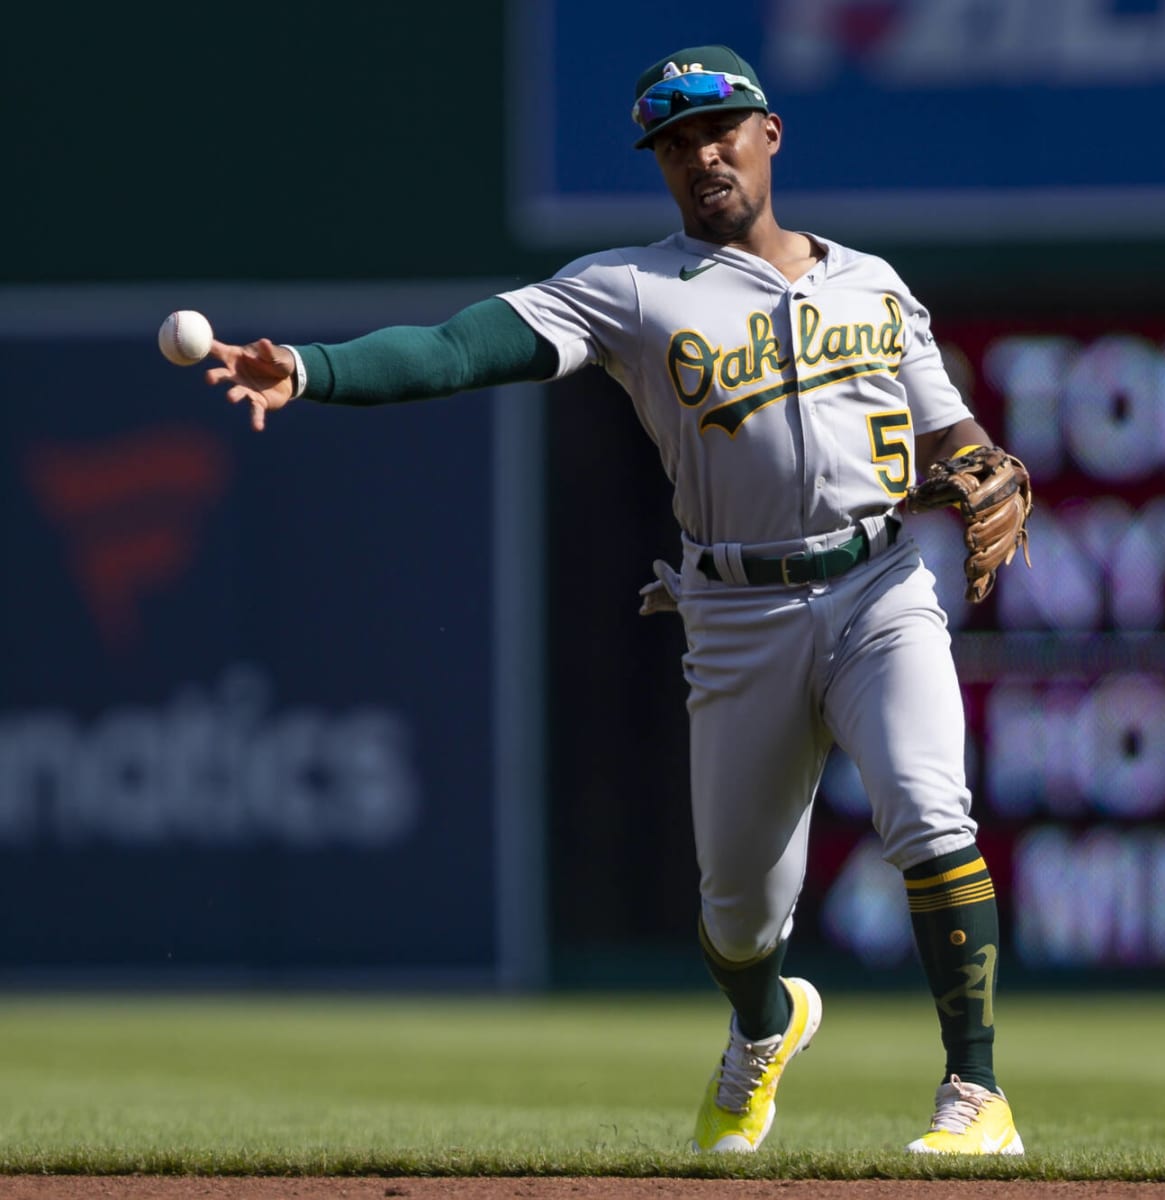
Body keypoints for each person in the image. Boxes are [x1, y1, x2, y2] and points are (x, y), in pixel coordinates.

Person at [204, 44, 1028, 1156]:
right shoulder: (629, 288)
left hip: (883, 588)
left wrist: (985, 465)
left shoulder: (873, 284)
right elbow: (460, 348)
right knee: (739, 914)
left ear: (769, 134)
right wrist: (312, 368)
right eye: (675, 142)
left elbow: (953, 428)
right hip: (737, 616)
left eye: (719, 129)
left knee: (932, 814)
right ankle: (762, 1026)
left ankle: (976, 1093)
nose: (701, 155)